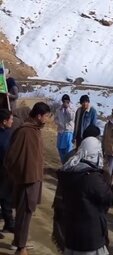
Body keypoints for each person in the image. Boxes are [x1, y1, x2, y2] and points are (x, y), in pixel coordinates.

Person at [57, 136, 113, 255]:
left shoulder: (69, 172)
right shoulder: (90, 177)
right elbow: (110, 198)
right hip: (89, 239)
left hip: (72, 235)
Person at [4, 102, 51, 255]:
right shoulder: (24, 131)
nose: (47, 119)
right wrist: (20, 174)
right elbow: (10, 158)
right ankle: (20, 247)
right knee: (24, 213)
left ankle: (19, 241)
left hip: (33, 179)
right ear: (39, 116)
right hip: (26, 181)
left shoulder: (35, 130)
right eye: (46, 116)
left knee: (27, 213)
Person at [0, 109, 15, 238]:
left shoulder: (11, 133)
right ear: (4, 121)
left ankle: (9, 223)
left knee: (6, 199)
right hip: (2, 171)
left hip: (7, 173)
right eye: (10, 119)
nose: (12, 121)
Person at [54, 94, 75, 164]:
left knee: (68, 149)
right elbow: (55, 119)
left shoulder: (72, 109)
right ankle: (63, 163)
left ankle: (68, 164)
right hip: (60, 131)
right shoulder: (59, 110)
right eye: (64, 101)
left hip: (68, 131)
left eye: (67, 101)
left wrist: (68, 109)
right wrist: (59, 123)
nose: (65, 103)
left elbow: (71, 118)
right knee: (60, 148)